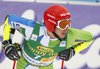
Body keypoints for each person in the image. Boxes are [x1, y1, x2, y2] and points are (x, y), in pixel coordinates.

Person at [2, 4, 93, 69]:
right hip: (24, 64)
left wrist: (73, 51)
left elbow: (89, 39)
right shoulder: (32, 29)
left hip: (47, 66)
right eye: (63, 24)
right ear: (50, 24)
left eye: (68, 23)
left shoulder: (69, 35)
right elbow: (9, 19)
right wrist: (7, 44)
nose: (66, 28)